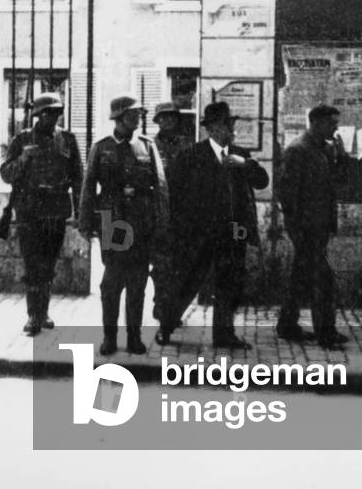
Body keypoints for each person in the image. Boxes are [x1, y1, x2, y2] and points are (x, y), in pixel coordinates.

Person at [161, 101, 269, 349]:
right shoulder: (190, 156)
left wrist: (245, 164)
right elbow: (175, 198)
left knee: (229, 285)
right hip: (200, 234)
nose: (231, 130)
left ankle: (224, 335)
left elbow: (262, 181)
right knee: (188, 282)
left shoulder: (241, 154)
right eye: (226, 125)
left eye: (231, 124)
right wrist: (182, 232)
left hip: (233, 233)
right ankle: (166, 328)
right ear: (212, 129)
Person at [80, 94, 169, 356]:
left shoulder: (146, 146)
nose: (137, 118)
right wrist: (85, 223)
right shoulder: (102, 147)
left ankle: (134, 337)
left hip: (141, 222)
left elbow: (160, 186)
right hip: (113, 221)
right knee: (111, 282)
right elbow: (88, 188)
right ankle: (109, 337)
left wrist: (161, 222)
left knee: (138, 282)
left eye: (138, 114)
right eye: (132, 114)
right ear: (118, 118)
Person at [0, 92, 83, 336]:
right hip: (29, 210)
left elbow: (78, 178)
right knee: (32, 264)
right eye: (47, 113)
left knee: (48, 264)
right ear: (37, 115)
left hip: (56, 209)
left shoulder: (67, 140)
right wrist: (23, 158)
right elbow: (6, 174)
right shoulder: (22, 140)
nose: (52, 117)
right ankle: (32, 315)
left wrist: (79, 212)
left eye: (56, 113)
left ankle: (43, 312)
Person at [275, 104, 354, 349]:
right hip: (305, 228)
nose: (336, 128)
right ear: (317, 123)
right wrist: (296, 228)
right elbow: (286, 192)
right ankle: (325, 332)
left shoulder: (325, 150)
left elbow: (338, 182)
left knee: (300, 277)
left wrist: (342, 158)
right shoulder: (298, 150)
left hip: (319, 226)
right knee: (323, 278)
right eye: (332, 123)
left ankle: (287, 325)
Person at [149, 101, 191, 333]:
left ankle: (171, 306)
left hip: (183, 212)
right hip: (159, 213)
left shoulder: (187, 145)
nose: (167, 121)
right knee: (161, 263)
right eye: (162, 118)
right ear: (157, 121)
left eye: (171, 117)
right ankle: (162, 305)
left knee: (180, 263)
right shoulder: (149, 146)